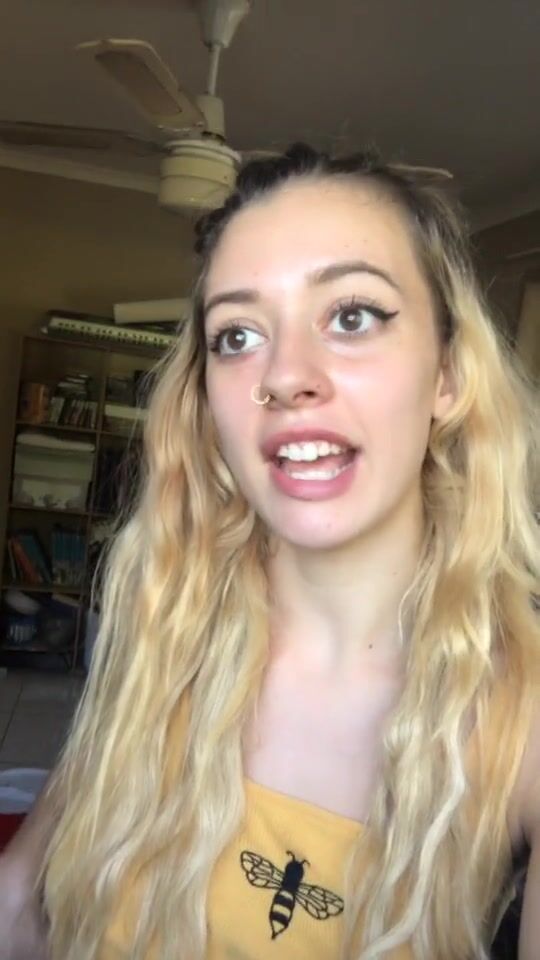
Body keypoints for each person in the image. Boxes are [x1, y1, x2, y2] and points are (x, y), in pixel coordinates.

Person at [0, 143, 538, 960]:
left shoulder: (523, 719)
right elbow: (20, 899)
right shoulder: (169, 622)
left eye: (352, 316)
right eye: (238, 334)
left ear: (448, 375)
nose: (285, 376)